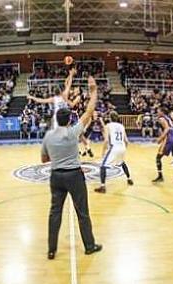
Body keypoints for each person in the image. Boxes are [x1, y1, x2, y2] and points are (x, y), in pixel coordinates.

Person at [41, 76, 102, 260]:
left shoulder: (48, 135)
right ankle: (89, 246)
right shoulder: (74, 131)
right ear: (69, 120)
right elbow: (90, 110)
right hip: (74, 176)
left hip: (56, 176)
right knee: (82, 212)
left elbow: (44, 159)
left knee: (55, 213)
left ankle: (52, 250)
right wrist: (93, 91)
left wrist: (57, 155)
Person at [95, 111, 133, 193]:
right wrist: (123, 149)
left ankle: (102, 187)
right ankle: (129, 179)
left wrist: (103, 152)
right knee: (122, 162)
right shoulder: (121, 126)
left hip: (114, 147)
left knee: (103, 166)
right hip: (122, 147)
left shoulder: (108, 126)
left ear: (110, 118)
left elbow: (106, 140)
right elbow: (126, 141)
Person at [152, 107, 173, 183]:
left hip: (170, 138)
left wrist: (159, 139)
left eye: (158, 111)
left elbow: (167, 129)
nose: (157, 112)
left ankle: (160, 176)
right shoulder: (168, 118)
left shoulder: (161, 118)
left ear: (162, 112)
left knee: (158, 157)